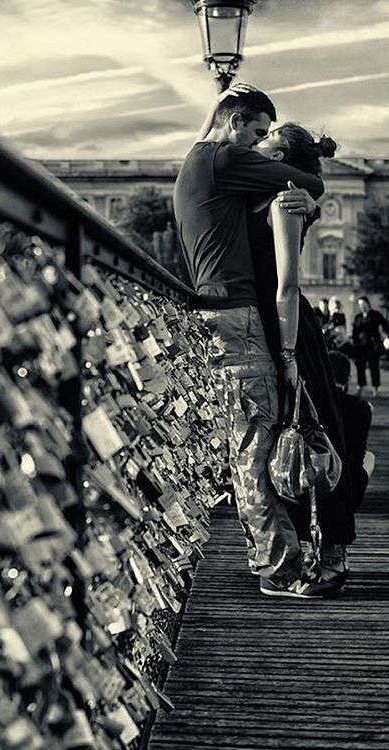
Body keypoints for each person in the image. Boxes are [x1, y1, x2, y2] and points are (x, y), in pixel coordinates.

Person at [174, 85, 338, 598]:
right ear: (237, 123)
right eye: (257, 133)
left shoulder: (198, 159)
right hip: (239, 316)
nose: (259, 144)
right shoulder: (225, 158)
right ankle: (280, 568)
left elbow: (211, 131)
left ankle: (268, 555)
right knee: (257, 445)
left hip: (213, 316)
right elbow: (310, 181)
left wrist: (220, 102)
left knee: (245, 438)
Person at [248, 123, 356, 588]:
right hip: (271, 324)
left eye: (267, 150)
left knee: (316, 434)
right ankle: (301, 549)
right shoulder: (261, 194)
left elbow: (287, 283)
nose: (255, 154)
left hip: (289, 327)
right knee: (286, 438)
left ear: (286, 161)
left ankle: (334, 553)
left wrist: (289, 354)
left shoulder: (285, 199)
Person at [328, 351, 375, 510]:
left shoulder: (312, 404)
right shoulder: (362, 408)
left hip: (317, 480)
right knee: (369, 456)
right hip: (350, 486)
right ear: (348, 379)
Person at [352, 296, 389, 396]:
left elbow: (385, 324)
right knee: (360, 366)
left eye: (363, 304)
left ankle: (375, 388)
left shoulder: (375, 315)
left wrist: (385, 337)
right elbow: (355, 332)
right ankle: (361, 386)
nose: (362, 307)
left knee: (374, 366)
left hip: (372, 345)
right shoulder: (358, 317)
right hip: (361, 345)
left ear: (368, 304)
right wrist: (355, 344)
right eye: (360, 305)